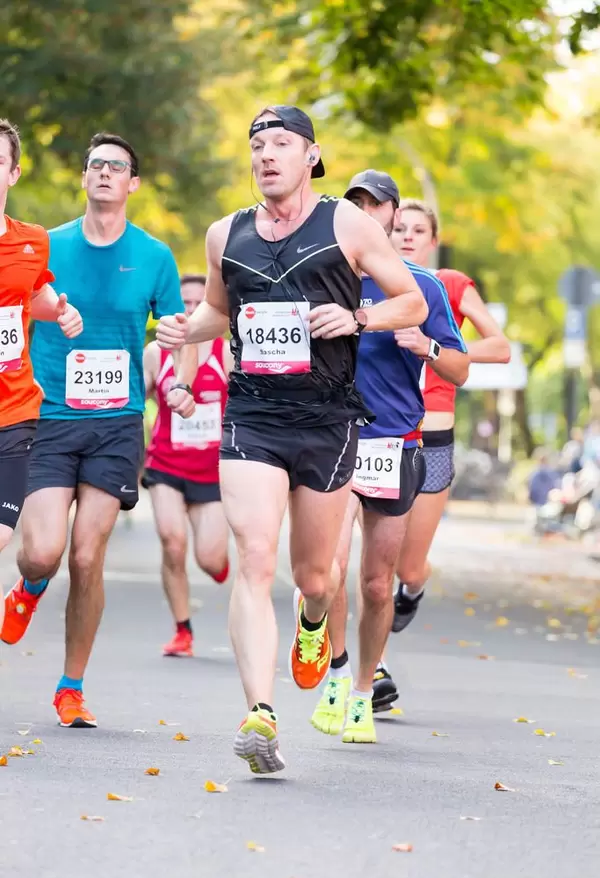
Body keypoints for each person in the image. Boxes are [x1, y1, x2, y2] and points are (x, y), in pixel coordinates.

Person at [157, 106, 428, 774]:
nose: (266, 154)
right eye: (257, 144)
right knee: (253, 555)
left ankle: (314, 623)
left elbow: (412, 303)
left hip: (328, 417)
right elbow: (219, 313)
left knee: (314, 574)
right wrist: (181, 332)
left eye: (281, 143)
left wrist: (358, 315)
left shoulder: (348, 224)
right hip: (252, 413)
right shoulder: (226, 234)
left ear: (311, 156)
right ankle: (260, 712)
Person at [1, 132, 191, 728]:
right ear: (84, 178)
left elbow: (177, 328)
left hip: (116, 424)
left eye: (117, 167)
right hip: (48, 417)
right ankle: (29, 587)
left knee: (87, 554)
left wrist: (179, 379)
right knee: (43, 550)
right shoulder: (44, 246)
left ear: (133, 184)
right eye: (96, 165)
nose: (105, 173)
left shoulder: (155, 257)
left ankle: (70, 686)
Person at [310, 170, 468, 742]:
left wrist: (428, 347)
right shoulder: (324, 274)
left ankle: (360, 695)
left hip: (394, 441)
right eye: (357, 204)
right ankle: (336, 668)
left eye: (378, 206)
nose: (368, 213)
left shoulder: (421, 287)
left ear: (394, 216)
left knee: (378, 584)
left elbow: (459, 367)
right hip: (332, 436)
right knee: (325, 569)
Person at [389, 199, 510, 634]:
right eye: (399, 228)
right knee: (377, 565)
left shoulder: (450, 285)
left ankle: (414, 589)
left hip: (434, 438)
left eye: (418, 231)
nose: (407, 237)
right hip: (385, 433)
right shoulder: (370, 284)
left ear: (433, 241)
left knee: (409, 567)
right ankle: (374, 669)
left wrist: (438, 349)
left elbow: (500, 347)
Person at [0, 119, 82, 616]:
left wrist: (62, 311)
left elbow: (35, 294)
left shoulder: (31, 241)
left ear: (13, 173)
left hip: (13, 411)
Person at [142, 273, 232, 657]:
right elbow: (133, 400)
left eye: (200, 304)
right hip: (165, 464)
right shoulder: (154, 354)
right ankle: (183, 630)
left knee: (210, 560)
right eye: (185, 305)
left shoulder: (226, 352)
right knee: (172, 542)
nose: (192, 312)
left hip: (213, 471)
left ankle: (220, 564)